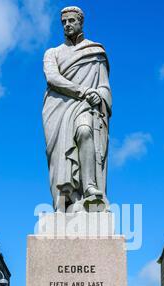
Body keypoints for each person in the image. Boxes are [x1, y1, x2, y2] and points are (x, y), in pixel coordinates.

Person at [42, 6, 112, 212]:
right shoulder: (52, 53)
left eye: (71, 21)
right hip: (58, 107)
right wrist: (82, 91)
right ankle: (67, 199)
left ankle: (90, 186)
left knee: (84, 131)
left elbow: (104, 86)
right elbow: (52, 78)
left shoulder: (95, 52)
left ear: (81, 22)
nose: (67, 25)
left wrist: (98, 94)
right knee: (59, 155)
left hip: (85, 106)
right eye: (64, 22)